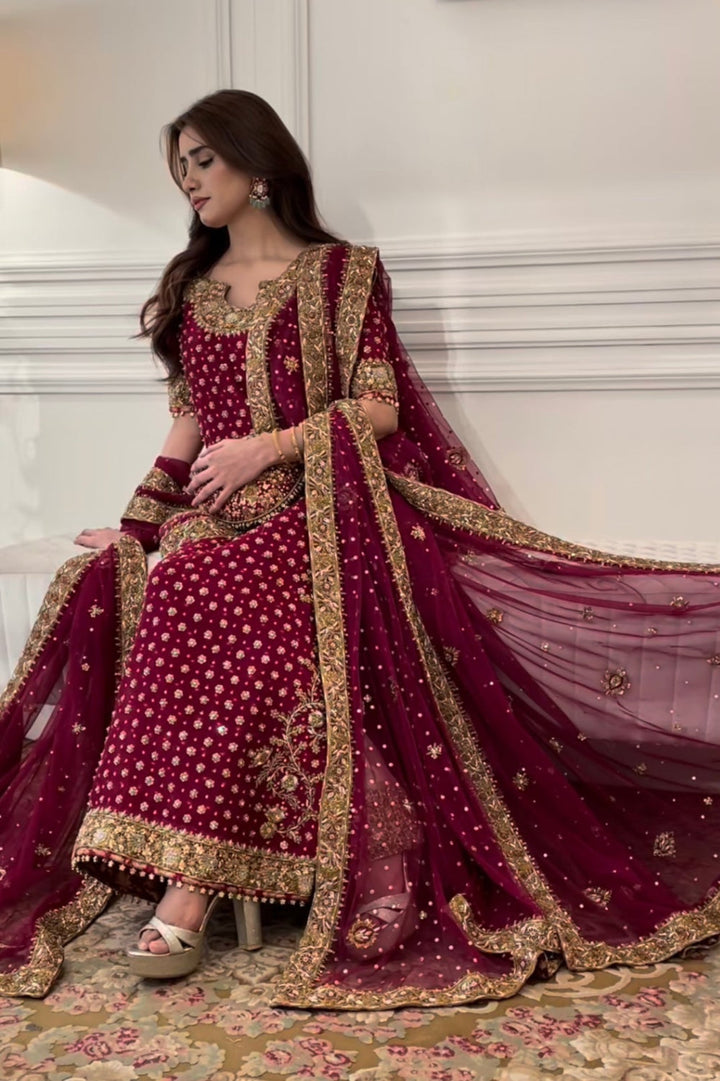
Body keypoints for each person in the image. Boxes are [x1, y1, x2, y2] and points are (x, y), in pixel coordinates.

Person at [2, 88, 720, 1010]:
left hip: (323, 514)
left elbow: (377, 409)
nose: (188, 180)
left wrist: (269, 447)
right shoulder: (191, 290)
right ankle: (185, 858)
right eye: (179, 165)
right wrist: (135, 527)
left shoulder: (343, 274)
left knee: (201, 588)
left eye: (203, 159)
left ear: (259, 164)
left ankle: (191, 887)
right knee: (152, 574)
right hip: (213, 518)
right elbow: (185, 428)